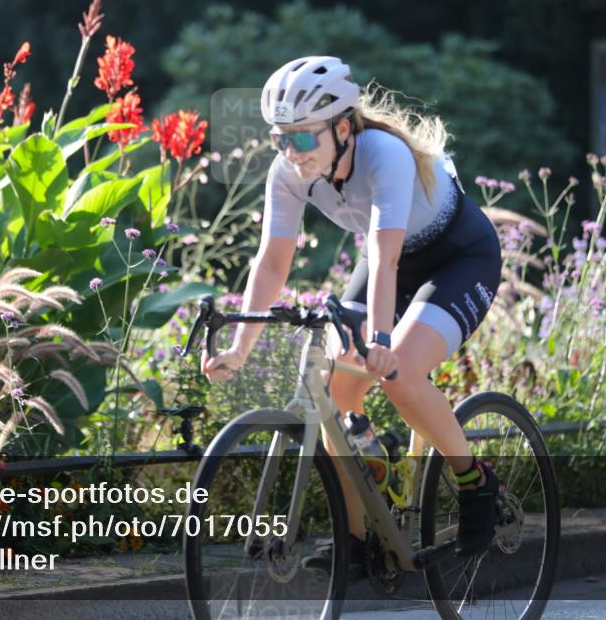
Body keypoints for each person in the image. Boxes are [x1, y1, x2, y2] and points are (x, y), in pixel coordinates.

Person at [201, 55, 503, 571]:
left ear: (343, 127)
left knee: (400, 376)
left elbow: (385, 258)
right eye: (280, 138)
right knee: (336, 388)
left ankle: (476, 483)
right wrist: (239, 347)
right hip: (388, 262)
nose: (290, 152)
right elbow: (273, 263)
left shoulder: (385, 154)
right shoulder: (289, 173)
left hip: (456, 259)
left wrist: (381, 339)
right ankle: (360, 541)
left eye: (302, 138)